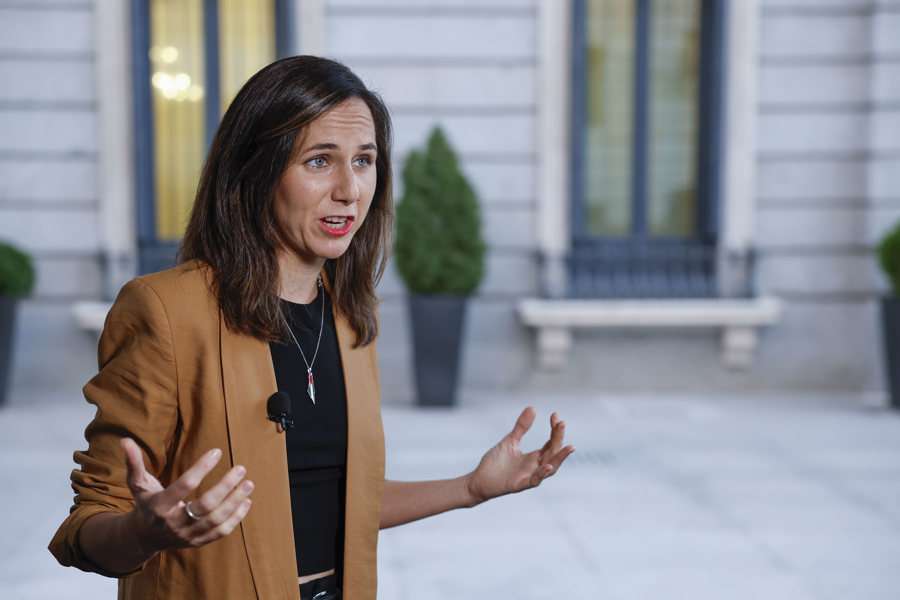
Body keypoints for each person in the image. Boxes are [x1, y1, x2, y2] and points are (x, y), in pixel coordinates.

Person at [48, 55, 575, 600]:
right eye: (320, 161)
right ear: (257, 171)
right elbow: (85, 527)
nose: (350, 189)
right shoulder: (165, 310)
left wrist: (470, 488)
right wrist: (146, 532)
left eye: (364, 160)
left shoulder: (349, 317)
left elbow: (338, 503)